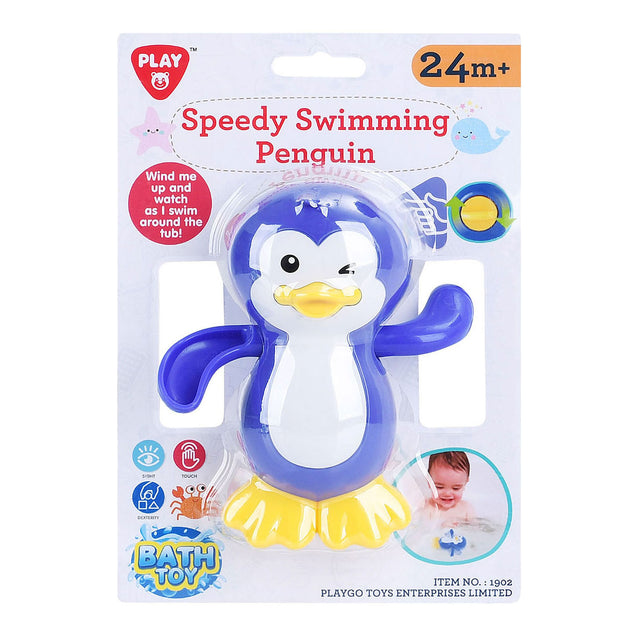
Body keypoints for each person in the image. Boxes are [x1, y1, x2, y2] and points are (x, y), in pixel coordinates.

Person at [425, 451, 475, 526]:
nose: (447, 493)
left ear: (465, 483)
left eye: (456, 488)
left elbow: (475, 529)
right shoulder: (427, 508)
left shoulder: (466, 509)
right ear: (429, 481)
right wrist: (441, 527)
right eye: (439, 487)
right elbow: (421, 530)